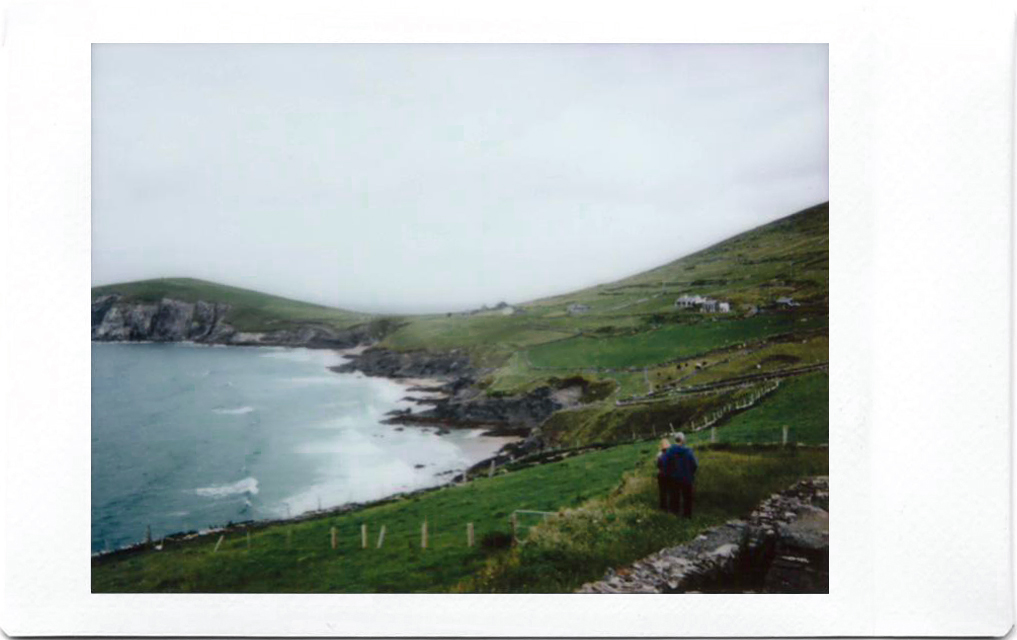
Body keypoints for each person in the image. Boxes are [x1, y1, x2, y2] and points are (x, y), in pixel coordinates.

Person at [662, 432, 698, 518]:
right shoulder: (689, 452)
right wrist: (690, 473)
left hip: (673, 478)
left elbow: (665, 464)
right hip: (687, 478)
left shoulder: (669, 452)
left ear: (675, 440)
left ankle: (674, 514)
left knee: (674, 497)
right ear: (682, 440)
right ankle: (687, 515)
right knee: (687, 498)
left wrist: (668, 475)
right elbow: (694, 464)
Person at [655, 438, 671, 511]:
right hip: (670, 474)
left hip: (661, 474)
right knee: (671, 490)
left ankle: (663, 507)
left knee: (662, 491)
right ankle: (671, 506)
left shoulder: (659, 455)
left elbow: (658, 465)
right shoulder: (671, 454)